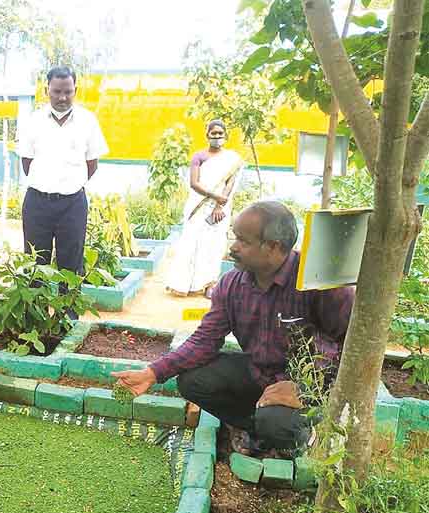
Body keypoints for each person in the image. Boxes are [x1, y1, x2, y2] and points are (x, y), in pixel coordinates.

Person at [113, 202, 355, 456]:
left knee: (278, 423)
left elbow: (352, 346)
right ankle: (255, 428)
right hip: (261, 374)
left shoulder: (319, 285)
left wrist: (304, 389)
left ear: (273, 247)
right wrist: (152, 373)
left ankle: (305, 439)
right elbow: (204, 340)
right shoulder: (232, 284)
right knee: (192, 381)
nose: (233, 247)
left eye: (243, 241)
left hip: (311, 386)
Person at [18, 66, 108, 307]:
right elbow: (26, 161)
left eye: (68, 92)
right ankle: (34, 316)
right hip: (37, 203)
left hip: (73, 204)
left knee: (71, 264)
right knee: (36, 263)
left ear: (75, 90)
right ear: (47, 90)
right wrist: (46, 186)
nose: (62, 97)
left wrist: (70, 185)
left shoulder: (88, 121)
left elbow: (92, 163)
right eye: (56, 91)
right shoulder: (33, 121)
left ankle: (67, 320)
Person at [165, 119, 243, 298]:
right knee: (190, 243)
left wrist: (218, 205)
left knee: (213, 245)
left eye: (220, 134)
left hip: (220, 208)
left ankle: (209, 284)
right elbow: (194, 183)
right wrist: (215, 197)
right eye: (213, 133)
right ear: (207, 135)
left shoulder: (232, 159)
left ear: (226, 136)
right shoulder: (198, 156)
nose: (217, 137)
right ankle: (183, 283)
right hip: (198, 206)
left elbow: (230, 183)